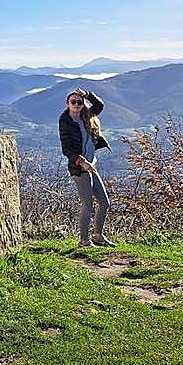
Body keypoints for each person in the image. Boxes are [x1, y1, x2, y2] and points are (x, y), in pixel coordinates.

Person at [58, 88, 115, 247]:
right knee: (88, 204)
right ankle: (84, 240)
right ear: (67, 104)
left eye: (79, 102)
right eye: (73, 102)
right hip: (79, 168)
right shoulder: (65, 121)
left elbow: (99, 105)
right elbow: (67, 149)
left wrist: (87, 95)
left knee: (104, 202)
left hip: (91, 165)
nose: (76, 104)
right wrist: (82, 162)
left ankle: (98, 236)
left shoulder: (86, 116)